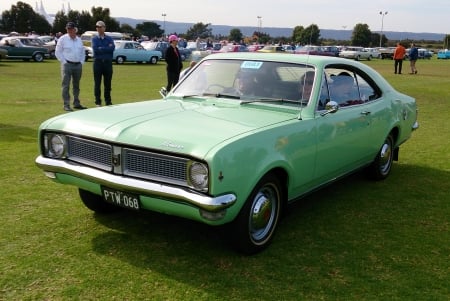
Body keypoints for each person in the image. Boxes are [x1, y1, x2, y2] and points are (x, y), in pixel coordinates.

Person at [55, 21, 87, 111]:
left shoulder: (79, 40)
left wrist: (81, 62)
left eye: (71, 29)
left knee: (76, 85)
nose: (69, 30)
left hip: (78, 65)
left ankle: (76, 103)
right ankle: (66, 104)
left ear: (74, 29)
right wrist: (64, 61)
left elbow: (82, 52)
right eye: (68, 29)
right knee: (66, 85)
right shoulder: (62, 39)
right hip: (67, 64)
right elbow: (58, 51)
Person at [92, 20, 115, 106]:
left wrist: (102, 48)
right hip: (98, 63)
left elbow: (112, 49)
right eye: (97, 27)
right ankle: (98, 101)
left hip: (107, 63)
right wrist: (105, 48)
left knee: (108, 84)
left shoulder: (109, 38)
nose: (98, 28)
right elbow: (96, 50)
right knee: (97, 83)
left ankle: (108, 101)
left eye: (100, 27)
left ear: (104, 28)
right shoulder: (94, 39)